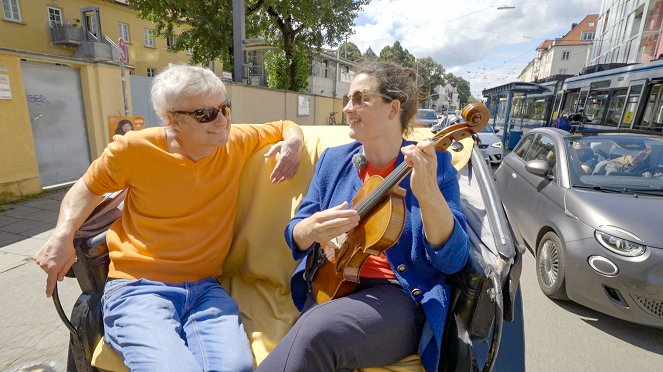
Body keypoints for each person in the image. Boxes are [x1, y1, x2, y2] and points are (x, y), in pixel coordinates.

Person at [34, 64, 304, 372]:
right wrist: (62, 234)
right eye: (205, 114)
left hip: (204, 289)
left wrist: (293, 143)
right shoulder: (134, 148)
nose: (223, 120)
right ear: (173, 119)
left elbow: (285, 125)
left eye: (225, 108)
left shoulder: (235, 140)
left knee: (236, 368)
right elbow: (86, 188)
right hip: (138, 288)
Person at [257, 62, 470, 372]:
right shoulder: (334, 161)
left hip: (398, 298)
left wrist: (428, 196)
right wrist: (309, 229)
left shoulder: (432, 163)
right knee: (315, 330)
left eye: (360, 99)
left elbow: (453, 260)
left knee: (316, 332)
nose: (347, 108)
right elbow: (295, 232)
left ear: (393, 108)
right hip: (332, 283)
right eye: (347, 99)